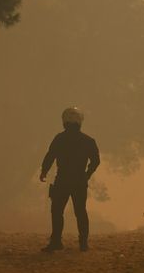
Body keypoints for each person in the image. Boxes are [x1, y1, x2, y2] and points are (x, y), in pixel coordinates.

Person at [39, 107, 100, 252]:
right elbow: (96, 161)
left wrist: (44, 171)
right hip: (79, 180)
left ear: (64, 122)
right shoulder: (88, 141)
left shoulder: (59, 138)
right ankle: (83, 243)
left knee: (57, 210)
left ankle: (56, 242)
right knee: (80, 211)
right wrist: (87, 174)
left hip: (62, 179)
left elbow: (50, 156)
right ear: (80, 122)